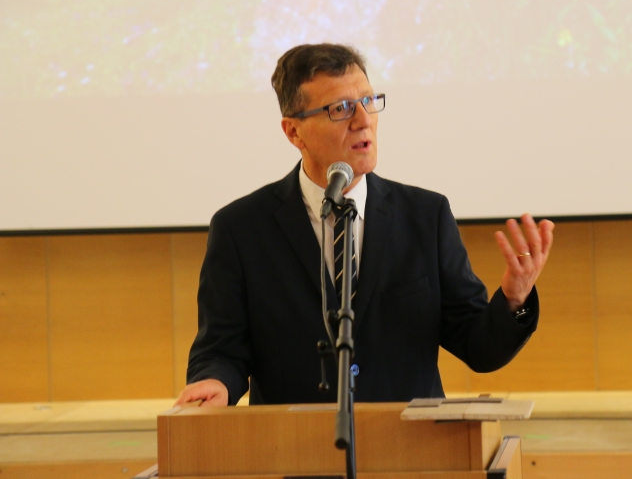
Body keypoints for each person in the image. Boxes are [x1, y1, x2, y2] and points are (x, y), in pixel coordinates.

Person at [176, 43, 554, 407]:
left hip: (409, 443)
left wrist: (514, 300)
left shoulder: (426, 216)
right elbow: (221, 350)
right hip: (293, 443)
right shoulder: (241, 229)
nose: (363, 121)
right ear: (293, 132)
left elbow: (479, 347)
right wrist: (215, 382)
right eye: (340, 109)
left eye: (369, 102)